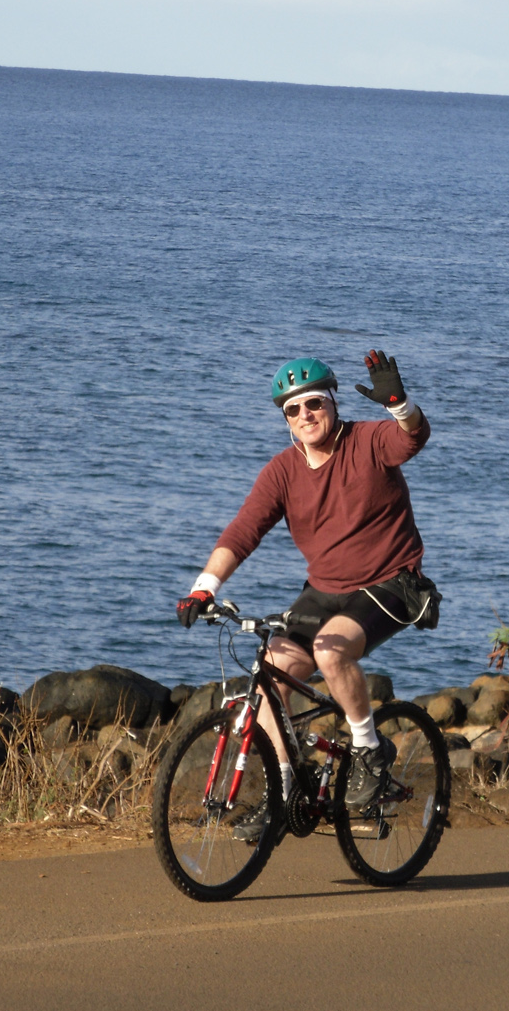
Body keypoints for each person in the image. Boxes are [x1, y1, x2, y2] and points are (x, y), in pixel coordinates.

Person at [176, 350, 436, 838]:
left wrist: (399, 405)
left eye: (313, 404)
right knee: (272, 675)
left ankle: (370, 751)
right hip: (324, 589)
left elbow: (412, 439)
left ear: (333, 403)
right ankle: (284, 791)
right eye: (292, 410)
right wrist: (203, 588)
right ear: (285, 420)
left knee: (330, 651)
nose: (305, 416)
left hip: (391, 582)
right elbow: (242, 532)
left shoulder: (367, 441)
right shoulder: (282, 471)